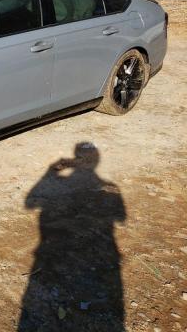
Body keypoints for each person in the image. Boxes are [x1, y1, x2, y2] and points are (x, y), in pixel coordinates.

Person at [18, 142, 126, 331]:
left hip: (59, 253)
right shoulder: (108, 187)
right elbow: (121, 217)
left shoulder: (105, 187)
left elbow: (29, 202)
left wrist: (50, 173)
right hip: (98, 255)